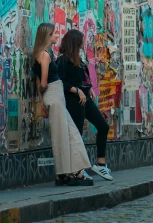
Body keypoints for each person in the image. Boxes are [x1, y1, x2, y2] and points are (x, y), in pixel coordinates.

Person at [31, 22, 93, 186]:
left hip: (52, 95)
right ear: (47, 36)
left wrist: (43, 102)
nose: (57, 36)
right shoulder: (45, 55)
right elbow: (43, 82)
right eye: (54, 34)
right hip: (54, 93)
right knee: (62, 135)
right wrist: (44, 94)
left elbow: (39, 83)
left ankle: (69, 172)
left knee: (69, 132)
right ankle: (67, 173)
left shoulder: (39, 54)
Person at [57, 29, 113, 181]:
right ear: (75, 42)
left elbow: (83, 80)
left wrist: (89, 90)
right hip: (74, 100)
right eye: (81, 40)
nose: (84, 42)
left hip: (85, 98)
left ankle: (100, 164)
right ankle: (77, 169)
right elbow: (59, 82)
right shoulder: (63, 60)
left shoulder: (79, 60)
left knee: (103, 126)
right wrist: (77, 91)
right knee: (77, 134)